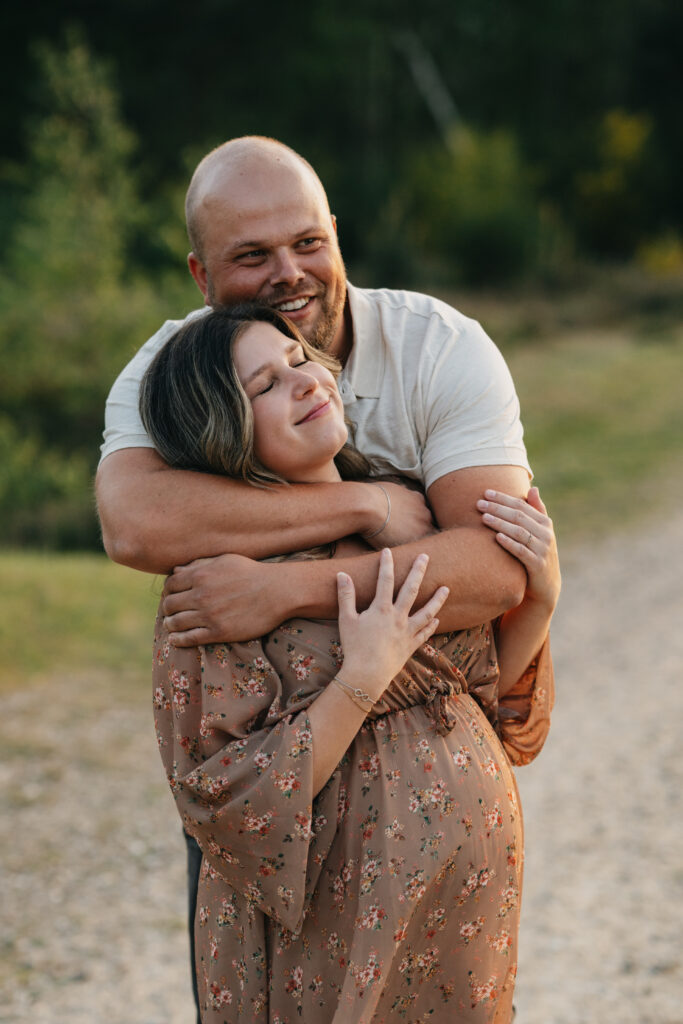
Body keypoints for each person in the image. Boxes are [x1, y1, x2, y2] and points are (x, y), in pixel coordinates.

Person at [95, 134, 559, 1018]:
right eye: (251, 255)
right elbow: (133, 523)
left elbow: (491, 592)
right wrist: (364, 512)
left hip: (454, 916)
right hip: (308, 891)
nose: (289, 275)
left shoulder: (436, 348)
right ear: (201, 275)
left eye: (307, 242)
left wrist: (290, 587)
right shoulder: (181, 373)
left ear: (337, 234)